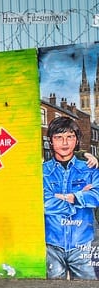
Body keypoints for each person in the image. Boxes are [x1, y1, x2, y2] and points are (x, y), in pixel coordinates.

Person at [43, 116, 99, 279]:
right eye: (59, 138)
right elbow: (44, 202)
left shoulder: (90, 168)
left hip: (82, 245)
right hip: (52, 245)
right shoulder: (42, 172)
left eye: (70, 137)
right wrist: (80, 198)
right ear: (51, 141)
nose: (65, 143)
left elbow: (96, 196)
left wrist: (66, 197)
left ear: (76, 140)